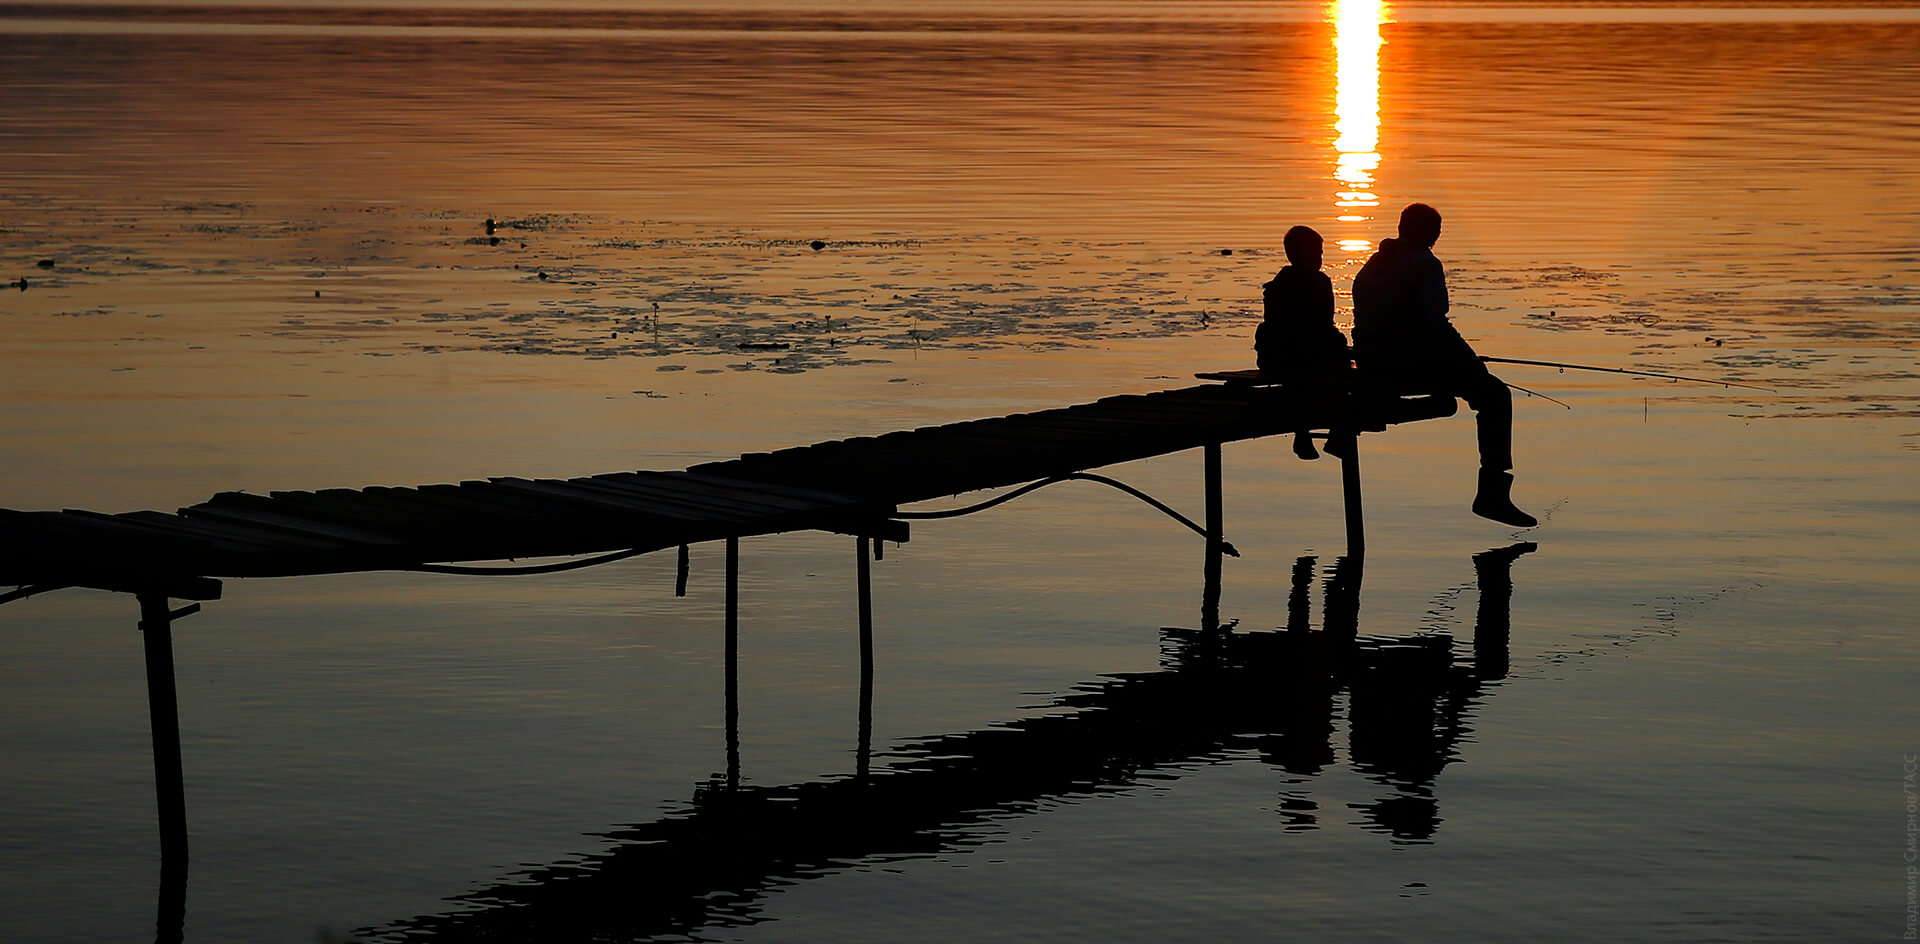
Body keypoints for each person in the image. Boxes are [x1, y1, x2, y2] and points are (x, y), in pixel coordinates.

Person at [1351, 203, 1535, 527]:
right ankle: (1493, 494)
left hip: (1374, 364)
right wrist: (1471, 364)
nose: (1438, 236)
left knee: (1471, 387)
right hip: (1407, 365)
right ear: (1429, 233)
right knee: (1494, 394)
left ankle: (1492, 492)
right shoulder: (1425, 264)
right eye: (1437, 230)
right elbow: (1434, 325)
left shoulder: (1373, 264)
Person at [1256, 225, 1352, 460]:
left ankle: (1303, 432)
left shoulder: (1276, 285)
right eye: (1318, 253)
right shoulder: (1318, 283)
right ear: (1302, 254)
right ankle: (1338, 434)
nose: (1321, 259)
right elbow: (1322, 327)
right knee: (1346, 375)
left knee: (1302, 378)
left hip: (1275, 359)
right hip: (1306, 357)